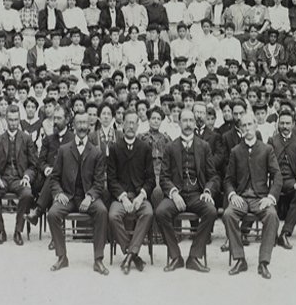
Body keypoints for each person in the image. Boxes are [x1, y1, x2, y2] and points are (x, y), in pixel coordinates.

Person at [46, 111, 110, 274]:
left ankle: (98, 259)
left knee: (102, 211)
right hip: (68, 196)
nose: (82, 127)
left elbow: (99, 182)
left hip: (89, 197)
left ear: (89, 126)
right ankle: (62, 257)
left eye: (85, 123)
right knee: (53, 214)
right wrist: (58, 192)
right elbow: (54, 178)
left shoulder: (96, 152)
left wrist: (90, 196)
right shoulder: (64, 150)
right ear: (73, 126)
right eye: (78, 123)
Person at [155, 107, 218, 273]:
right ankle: (176, 256)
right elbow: (164, 178)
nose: (188, 124)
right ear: (179, 122)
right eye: (185, 120)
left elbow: (213, 176)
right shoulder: (170, 147)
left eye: (191, 120)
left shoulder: (204, 146)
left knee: (211, 211)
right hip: (178, 195)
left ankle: (194, 256)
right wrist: (174, 193)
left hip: (197, 195)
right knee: (161, 212)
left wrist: (207, 191)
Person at [222, 112, 281, 279]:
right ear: (240, 129)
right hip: (241, 197)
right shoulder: (235, 151)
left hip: (260, 197)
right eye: (244, 126)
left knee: (271, 215)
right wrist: (233, 194)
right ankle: (240, 259)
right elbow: (228, 179)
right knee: (228, 214)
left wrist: (270, 197)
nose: (247, 128)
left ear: (256, 126)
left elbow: (277, 176)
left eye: (250, 125)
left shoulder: (266, 149)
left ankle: (263, 262)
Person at [107, 110, 155, 274]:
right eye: (127, 122)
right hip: (121, 198)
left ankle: (129, 256)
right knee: (113, 216)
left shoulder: (145, 148)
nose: (131, 126)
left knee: (148, 213)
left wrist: (141, 196)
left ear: (138, 125)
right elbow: (111, 179)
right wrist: (123, 198)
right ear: (122, 124)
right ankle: (133, 255)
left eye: (134, 123)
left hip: (139, 197)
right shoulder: (114, 148)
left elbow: (151, 179)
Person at [0, 103, 37, 245]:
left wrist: (26, 176)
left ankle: (18, 231)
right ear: (6, 120)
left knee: (27, 194)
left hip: (19, 179)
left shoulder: (27, 139)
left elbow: (33, 165)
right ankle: (0, 230)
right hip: (3, 179)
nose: (13, 123)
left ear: (19, 120)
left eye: (15, 120)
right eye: (10, 120)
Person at [267, 109, 296, 250]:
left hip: (290, 180)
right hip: (275, 180)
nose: (285, 126)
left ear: (293, 125)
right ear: (278, 124)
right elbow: (267, 162)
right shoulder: (272, 141)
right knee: (271, 197)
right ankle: (272, 234)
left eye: (288, 123)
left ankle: (285, 233)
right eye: (282, 123)